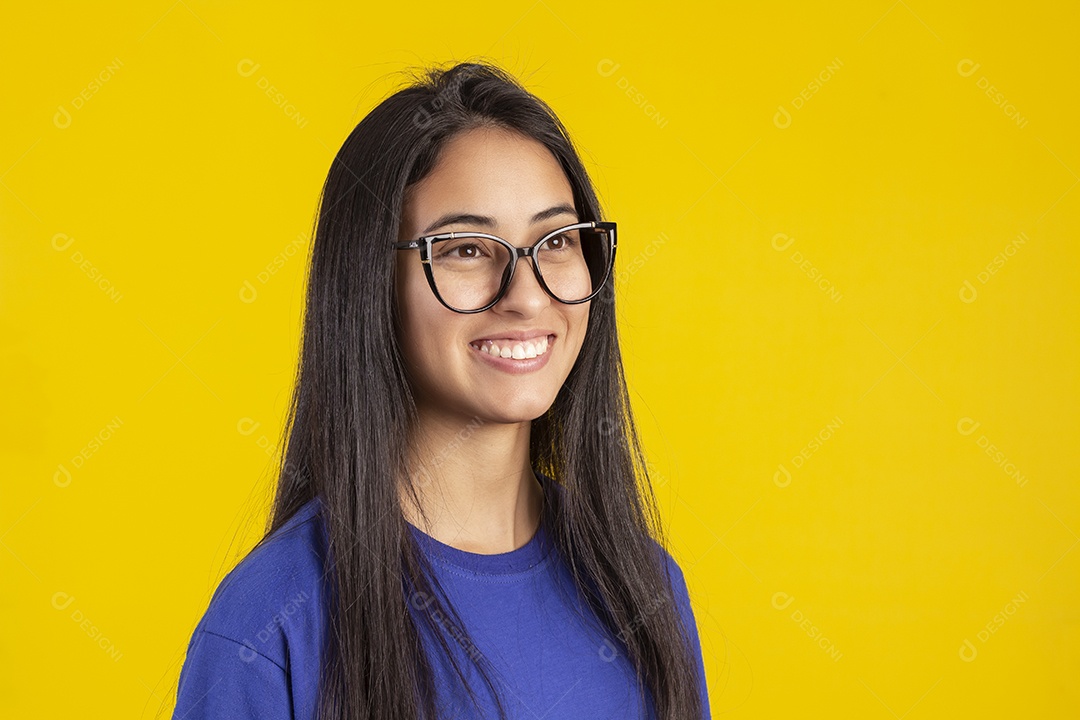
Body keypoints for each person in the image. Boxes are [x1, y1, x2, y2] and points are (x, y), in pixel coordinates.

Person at [171, 59, 710, 720]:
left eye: (558, 241)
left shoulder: (644, 590)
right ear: (371, 281)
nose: (526, 294)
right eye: (466, 249)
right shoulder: (270, 625)